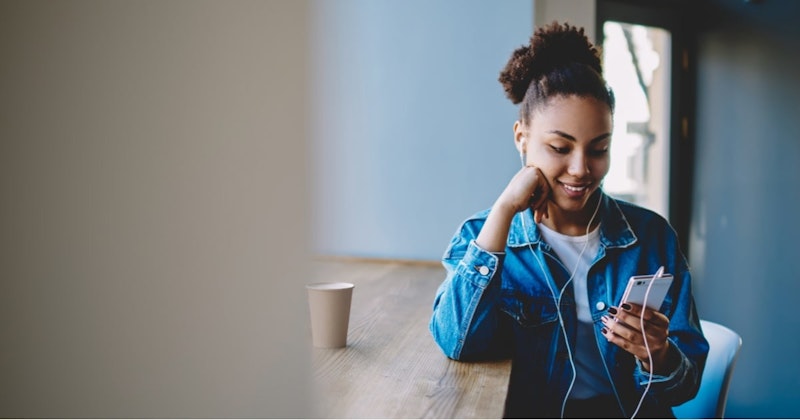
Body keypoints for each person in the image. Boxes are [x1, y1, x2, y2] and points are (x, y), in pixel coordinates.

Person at [429, 22, 709, 419]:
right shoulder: (483, 236)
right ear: (521, 138)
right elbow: (457, 341)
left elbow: (686, 384)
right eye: (560, 147)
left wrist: (658, 355)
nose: (580, 169)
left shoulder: (651, 238)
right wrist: (506, 207)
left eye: (599, 148)